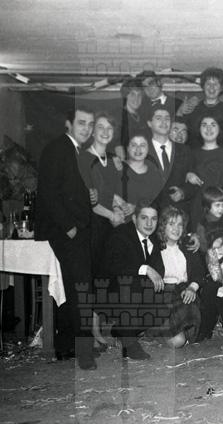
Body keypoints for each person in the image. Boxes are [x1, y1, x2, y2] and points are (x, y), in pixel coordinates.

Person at [35, 106, 96, 370]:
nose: (87, 129)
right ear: (69, 124)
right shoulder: (57, 148)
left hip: (77, 228)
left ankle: (66, 346)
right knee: (80, 289)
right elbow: (48, 193)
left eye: (90, 124)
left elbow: (70, 189)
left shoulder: (78, 151)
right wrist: (69, 227)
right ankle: (84, 352)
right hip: (66, 230)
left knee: (72, 287)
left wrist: (89, 195)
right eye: (82, 123)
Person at [102, 202, 164, 361]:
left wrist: (151, 273)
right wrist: (145, 269)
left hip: (138, 293)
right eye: (144, 218)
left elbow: (159, 270)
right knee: (130, 283)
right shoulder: (121, 234)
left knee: (161, 309)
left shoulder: (153, 238)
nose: (149, 223)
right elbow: (114, 266)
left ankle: (120, 330)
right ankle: (130, 344)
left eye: (153, 219)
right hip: (114, 292)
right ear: (135, 218)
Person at [150, 206, 208, 347]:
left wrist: (192, 288)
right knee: (178, 341)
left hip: (184, 293)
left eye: (180, 225)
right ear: (163, 226)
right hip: (162, 297)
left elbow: (199, 271)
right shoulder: (153, 247)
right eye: (171, 224)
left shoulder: (188, 245)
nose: (176, 229)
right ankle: (156, 331)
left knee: (189, 313)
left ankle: (183, 331)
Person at [77, 112, 127, 276]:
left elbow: (109, 192)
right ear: (92, 131)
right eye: (100, 127)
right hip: (93, 226)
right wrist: (112, 215)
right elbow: (90, 200)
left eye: (109, 128)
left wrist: (119, 206)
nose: (105, 132)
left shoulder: (113, 159)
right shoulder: (83, 158)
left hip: (111, 225)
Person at [187, 113, 223, 228]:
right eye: (204, 125)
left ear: (220, 129)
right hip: (199, 207)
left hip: (221, 207)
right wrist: (188, 175)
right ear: (199, 129)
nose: (208, 128)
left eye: (213, 125)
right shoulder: (192, 153)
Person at [145, 104, 195, 214]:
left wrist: (183, 192)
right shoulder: (142, 150)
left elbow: (194, 181)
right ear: (150, 123)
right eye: (159, 118)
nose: (164, 122)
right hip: (151, 214)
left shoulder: (185, 150)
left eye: (167, 119)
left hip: (178, 213)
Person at [184, 66, 223, 140]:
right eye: (208, 84)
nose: (212, 87)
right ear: (203, 86)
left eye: (215, 84)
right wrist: (180, 111)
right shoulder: (193, 107)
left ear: (221, 88)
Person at [120, 133, 164, 217]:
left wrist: (136, 207)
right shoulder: (117, 168)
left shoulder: (154, 174)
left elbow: (158, 203)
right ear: (128, 148)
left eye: (142, 145)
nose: (138, 149)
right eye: (134, 145)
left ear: (148, 149)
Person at [117, 77, 146, 160]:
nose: (136, 98)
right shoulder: (118, 116)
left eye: (139, 95)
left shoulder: (143, 117)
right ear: (125, 95)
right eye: (132, 94)